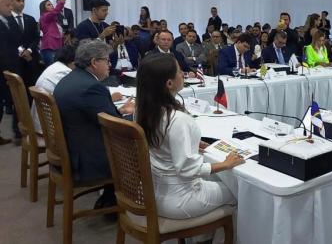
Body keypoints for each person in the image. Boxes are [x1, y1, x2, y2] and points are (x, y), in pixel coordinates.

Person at [136, 53, 242, 224]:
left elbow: (162, 142)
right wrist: (225, 164)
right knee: (239, 191)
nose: (183, 74)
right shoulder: (177, 119)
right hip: (181, 199)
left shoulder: (142, 110)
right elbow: (186, 169)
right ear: (169, 83)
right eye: (179, 71)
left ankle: (204, 238)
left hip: (152, 193)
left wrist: (192, 143)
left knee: (216, 180)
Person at [53, 40, 135, 207]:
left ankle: (109, 198)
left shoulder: (70, 78)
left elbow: (98, 116)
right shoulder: (92, 88)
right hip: (87, 158)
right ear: (94, 62)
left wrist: (120, 112)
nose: (110, 65)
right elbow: (115, 127)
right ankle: (125, 203)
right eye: (106, 60)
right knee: (141, 144)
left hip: (71, 146)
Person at [31, 45, 77, 136]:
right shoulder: (65, 73)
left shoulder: (54, 67)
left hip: (40, 123)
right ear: (74, 62)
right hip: (50, 130)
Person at [0, 0, 23, 145]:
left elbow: (16, 40)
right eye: (7, 5)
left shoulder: (8, 21)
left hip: (12, 66)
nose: (10, 8)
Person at [10, 0, 42, 88]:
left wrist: (29, 50)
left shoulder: (30, 19)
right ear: (11, 2)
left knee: (32, 86)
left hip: (31, 59)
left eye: (23, 1)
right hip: (15, 60)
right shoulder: (6, 20)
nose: (22, 3)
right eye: (18, 1)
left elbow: (36, 37)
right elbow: (7, 40)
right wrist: (21, 51)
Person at [40, 0, 73, 65]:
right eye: (48, 5)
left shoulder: (53, 18)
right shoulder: (45, 16)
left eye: (51, 4)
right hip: (49, 47)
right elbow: (57, 10)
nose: (51, 5)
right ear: (44, 8)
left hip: (56, 47)